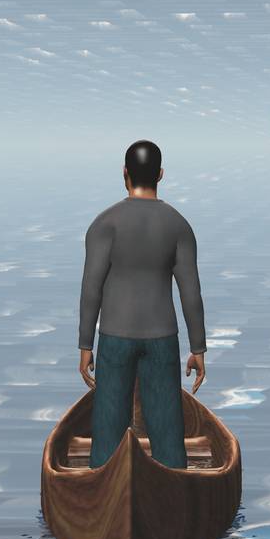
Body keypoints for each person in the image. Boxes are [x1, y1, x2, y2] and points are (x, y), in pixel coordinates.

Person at [78, 140, 207, 468]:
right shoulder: (179, 225)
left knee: (107, 433)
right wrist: (198, 348)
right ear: (160, 174)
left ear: (124, 173)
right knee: (167, 433)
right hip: (161, 337)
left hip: (114, 337)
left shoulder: (104, 224)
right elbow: (190, 292)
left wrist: (85, 346)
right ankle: (174, 493)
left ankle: (104, 490)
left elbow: (91, 288)